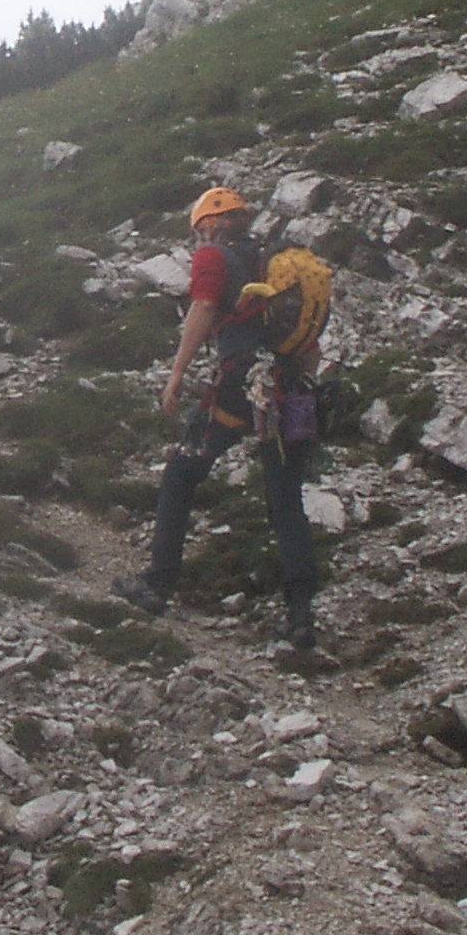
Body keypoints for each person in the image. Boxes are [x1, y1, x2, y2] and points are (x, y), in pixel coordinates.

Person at [113, 185, 323, 654]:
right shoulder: (277, 262)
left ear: (209, 223)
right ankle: (300, 616)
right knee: (285, 500)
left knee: (182, 472)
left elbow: (204, 307)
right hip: (290, 388)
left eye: (198, 230)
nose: (197, 239)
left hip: (241, 382)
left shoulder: (213, 255)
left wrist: (177, 373)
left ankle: (157, 584)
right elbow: (311, 343)